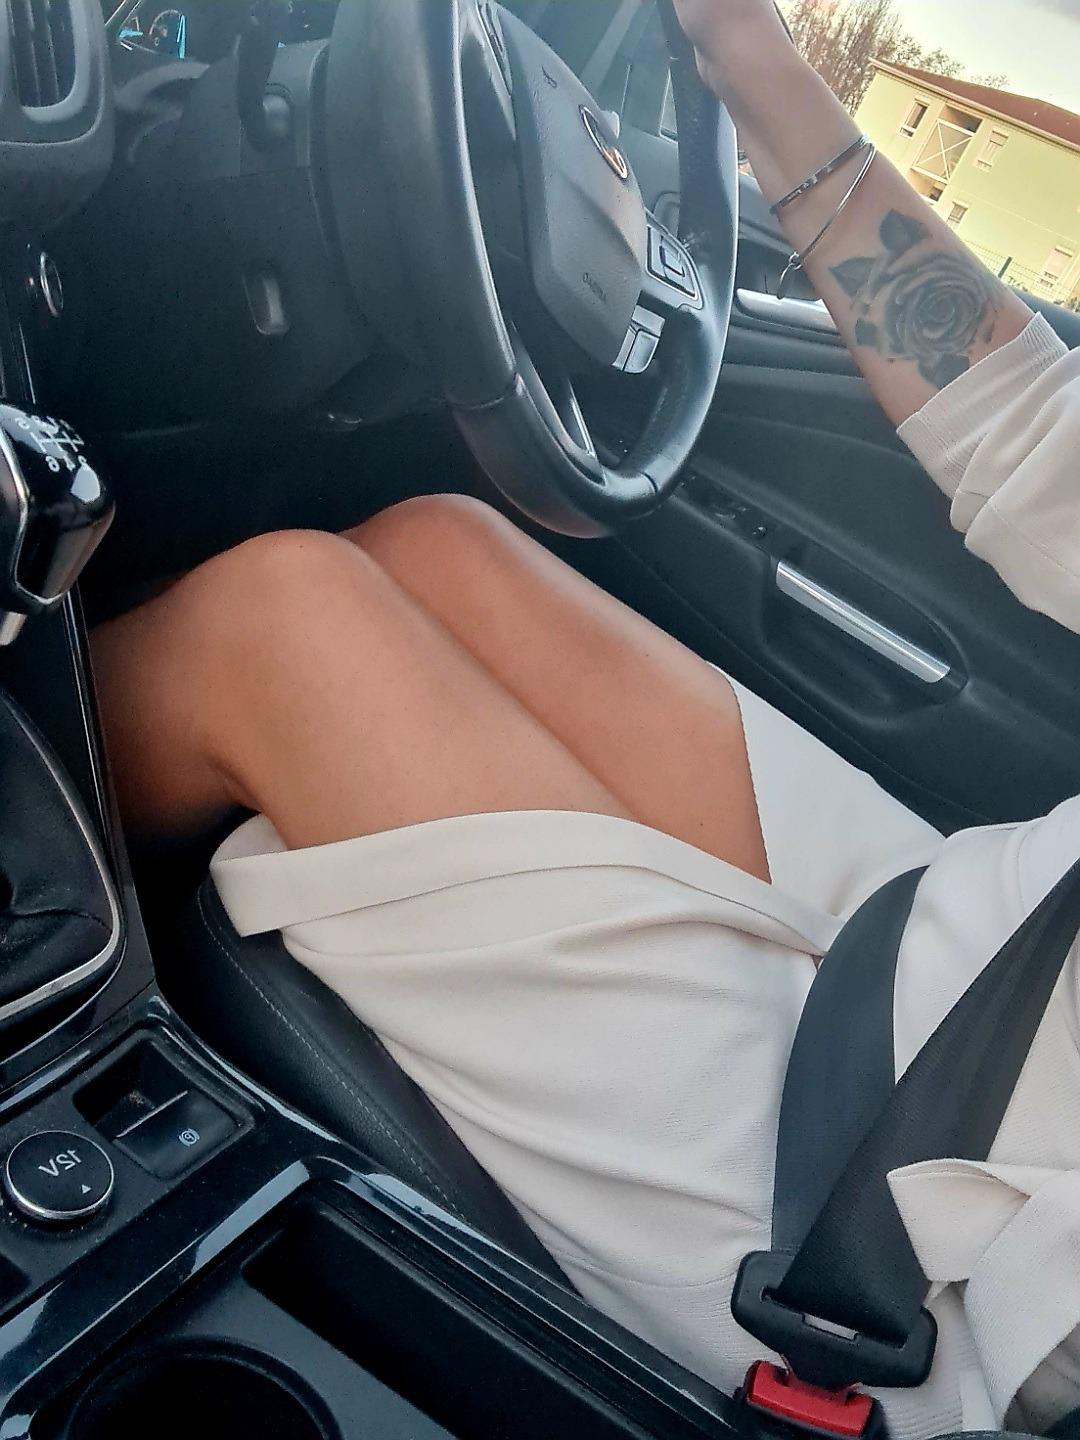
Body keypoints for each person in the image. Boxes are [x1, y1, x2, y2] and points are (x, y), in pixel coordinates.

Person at [90, 1, 1080, 1435]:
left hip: (926, 1276)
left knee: (277, 623)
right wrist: (747, 56)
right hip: (968, 951)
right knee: (437, 542)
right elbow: (1037, 442)